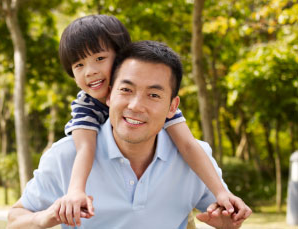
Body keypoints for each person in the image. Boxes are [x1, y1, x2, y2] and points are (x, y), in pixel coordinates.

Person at [7, 41, 251, 229]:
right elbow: (15, 219)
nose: (135, 105)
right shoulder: (66, 155)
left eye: (153, 95)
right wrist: (42, 219)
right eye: (126, 89)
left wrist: (228, 224)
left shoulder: (196, 158)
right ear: (109, 95)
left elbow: (222, 212)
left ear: (172, 107)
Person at [57, 15, 244, 224]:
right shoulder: (85, 106)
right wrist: (75, 191)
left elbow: (188, 145)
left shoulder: (153, 101)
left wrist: (220, 193)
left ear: (121, 57)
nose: (90, 71)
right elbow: (85, 149)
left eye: (99, 59)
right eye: (79, 65)